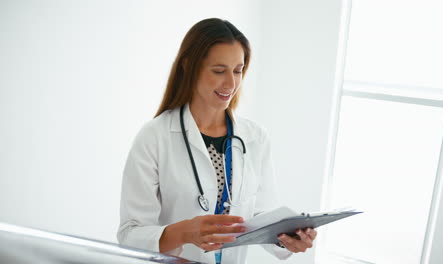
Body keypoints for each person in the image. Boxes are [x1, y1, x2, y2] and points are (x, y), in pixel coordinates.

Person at [117, 18, 317, 264]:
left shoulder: (255, 138)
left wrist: (287, 237)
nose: (231, 83)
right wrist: (185, 232)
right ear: (189, 66)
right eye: (219, 71)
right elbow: (130, 234)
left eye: (238, 70)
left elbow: (260, 216)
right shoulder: (154, 137)